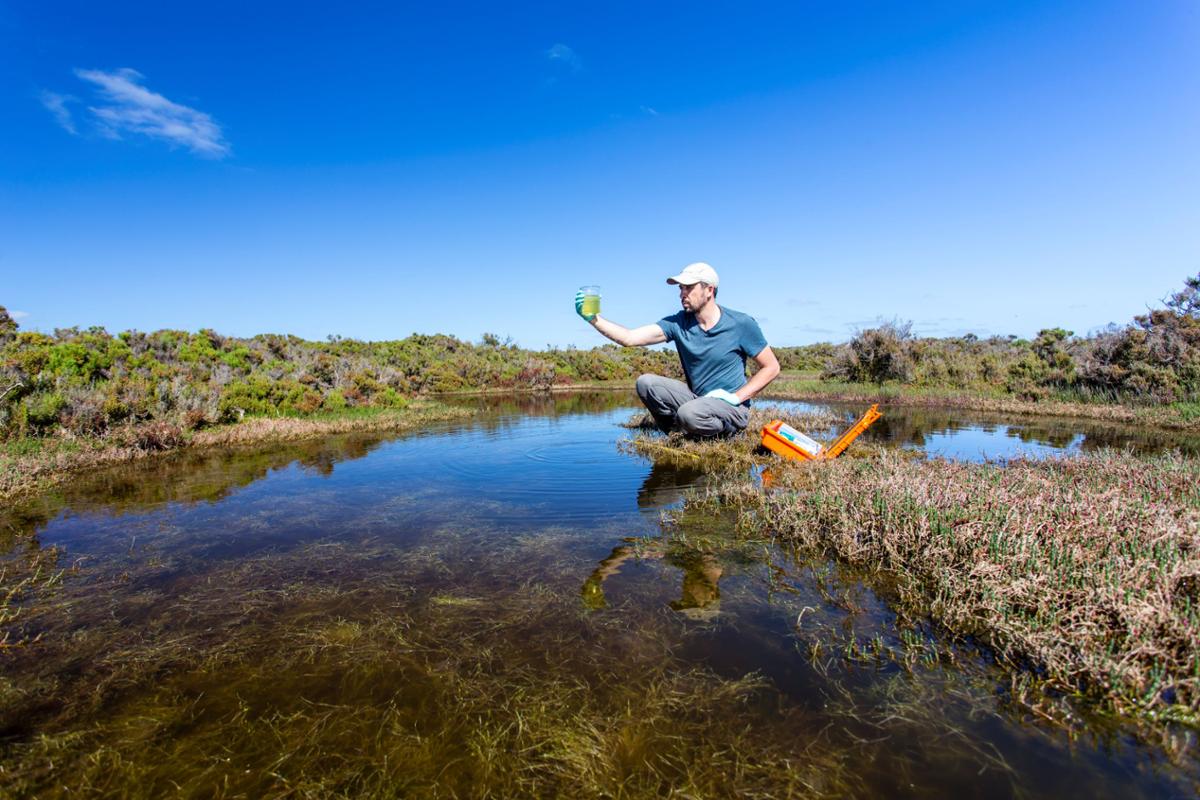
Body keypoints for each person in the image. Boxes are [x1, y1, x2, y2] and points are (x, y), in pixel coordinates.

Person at [575, 262, 779, 437]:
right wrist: (594, 319)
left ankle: (722, 433)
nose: (682, 294)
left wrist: (736, 397)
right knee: (646, 383)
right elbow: (630, 338)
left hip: (731, 408)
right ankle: (678, 433)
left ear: (709, 290)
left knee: (689, 413)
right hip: (697, 399)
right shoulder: (678, 323)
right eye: (680, 288)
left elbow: (771, 367)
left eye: (688, 288)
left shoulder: (741, 324)